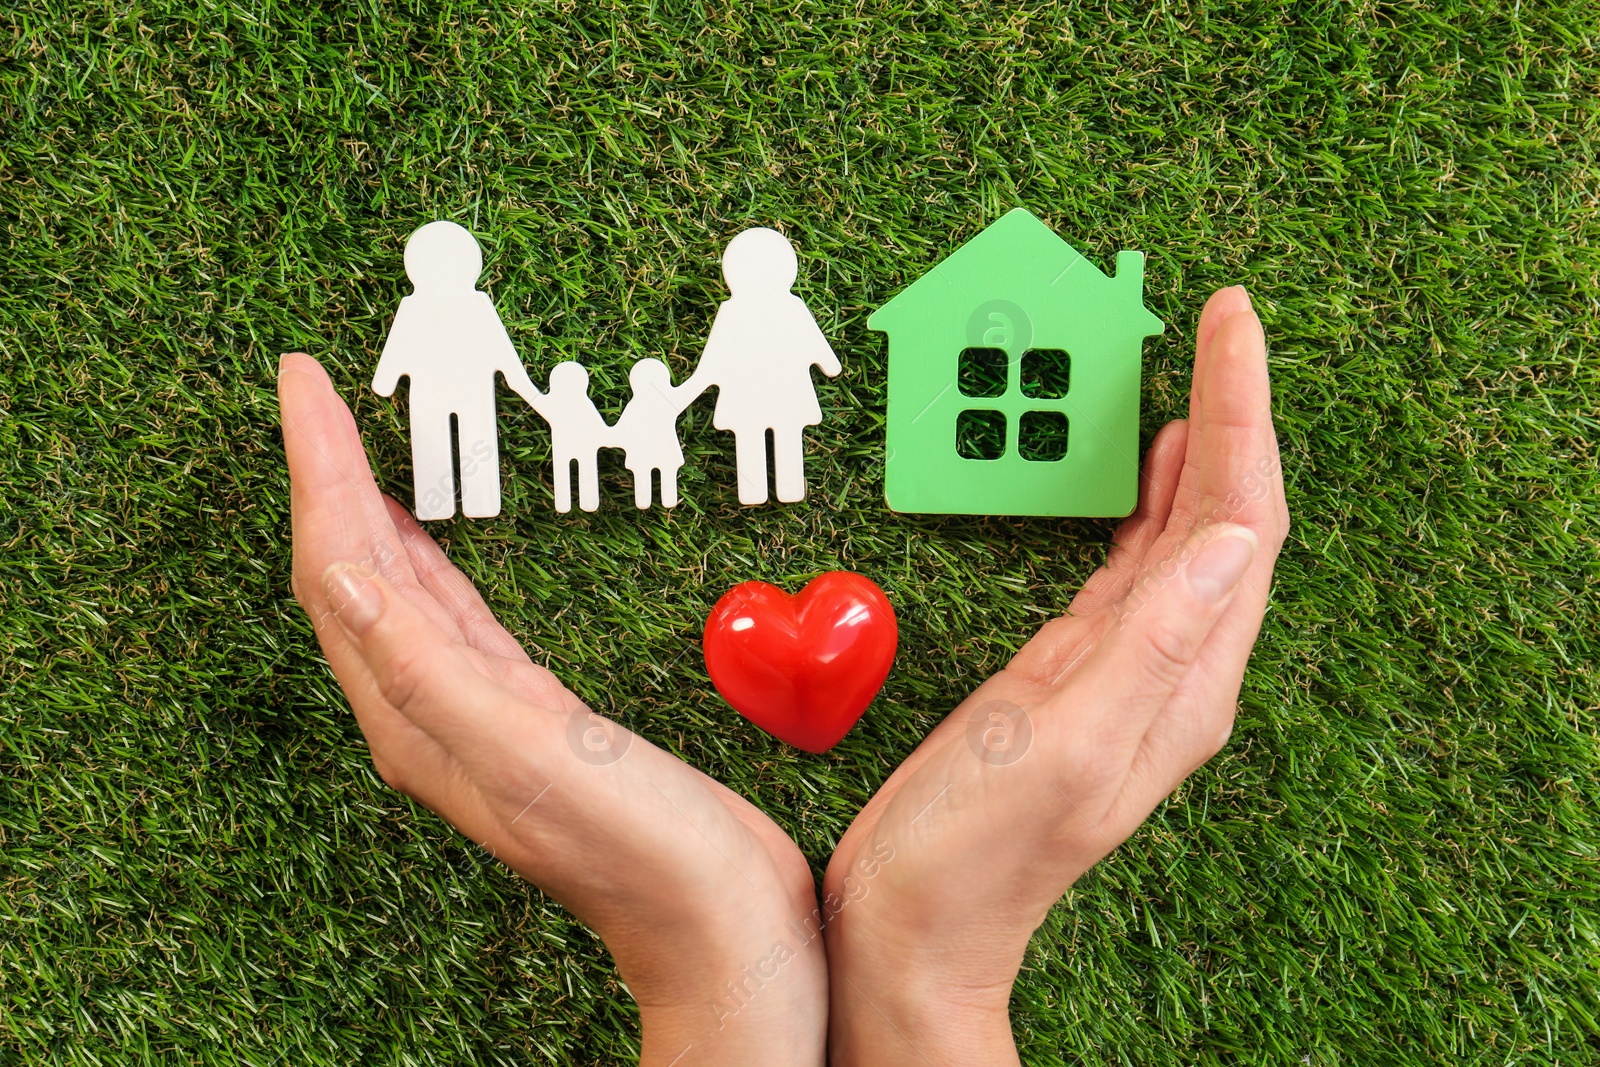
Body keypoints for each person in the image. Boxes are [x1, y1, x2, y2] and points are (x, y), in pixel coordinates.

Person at [279, 284, 1288, 1067]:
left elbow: (777, 347)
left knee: (765, 450)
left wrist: (712, 965)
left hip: (767, 402)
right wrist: (923, 968)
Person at [371, 221, 543, 520]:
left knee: (460, 440)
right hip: (456, 391)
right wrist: (520, 382)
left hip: (449, 391)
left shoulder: (458, 306)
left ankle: (468, 501)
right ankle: (460, 501)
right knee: (445, 442)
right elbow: (500, 352)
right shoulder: (427, 307)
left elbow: (497, 346)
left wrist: (386, 381)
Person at [684, 227, 842, 505]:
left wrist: (697, 383)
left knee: (770, 434)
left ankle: (768, 489)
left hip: (755, 395)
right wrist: (828, 365)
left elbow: (713, 361)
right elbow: (715, 357)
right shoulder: (777, 308)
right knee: (764, 434)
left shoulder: (774, 308)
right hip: (775, 392)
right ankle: (760, 489)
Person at [613, 358, 705, 509]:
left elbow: (621, 430)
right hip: (658, 450)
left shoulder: (638, 405)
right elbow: (692, 389)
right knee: (658, 471)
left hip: (646, 451)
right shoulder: (665, 400)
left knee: (655, 471)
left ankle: (651, 500)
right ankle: (655, 499)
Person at [529, 360, 612, 514]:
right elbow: (597, 425)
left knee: (573, 470)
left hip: (572, 446)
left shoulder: (564, 403)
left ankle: (574, 502)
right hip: (575, 446)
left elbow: (535, 400)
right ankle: (576, 501)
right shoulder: (580, 403)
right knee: (578, 469)